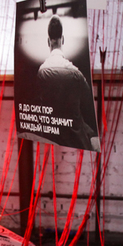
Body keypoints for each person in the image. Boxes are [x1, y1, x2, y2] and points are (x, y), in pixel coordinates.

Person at [36, 15, 100, 151]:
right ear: (63, 39)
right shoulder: (76, 73)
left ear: (48, 41)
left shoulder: (41, 72)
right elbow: (88, 102)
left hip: (51, 137)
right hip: (76, 139)